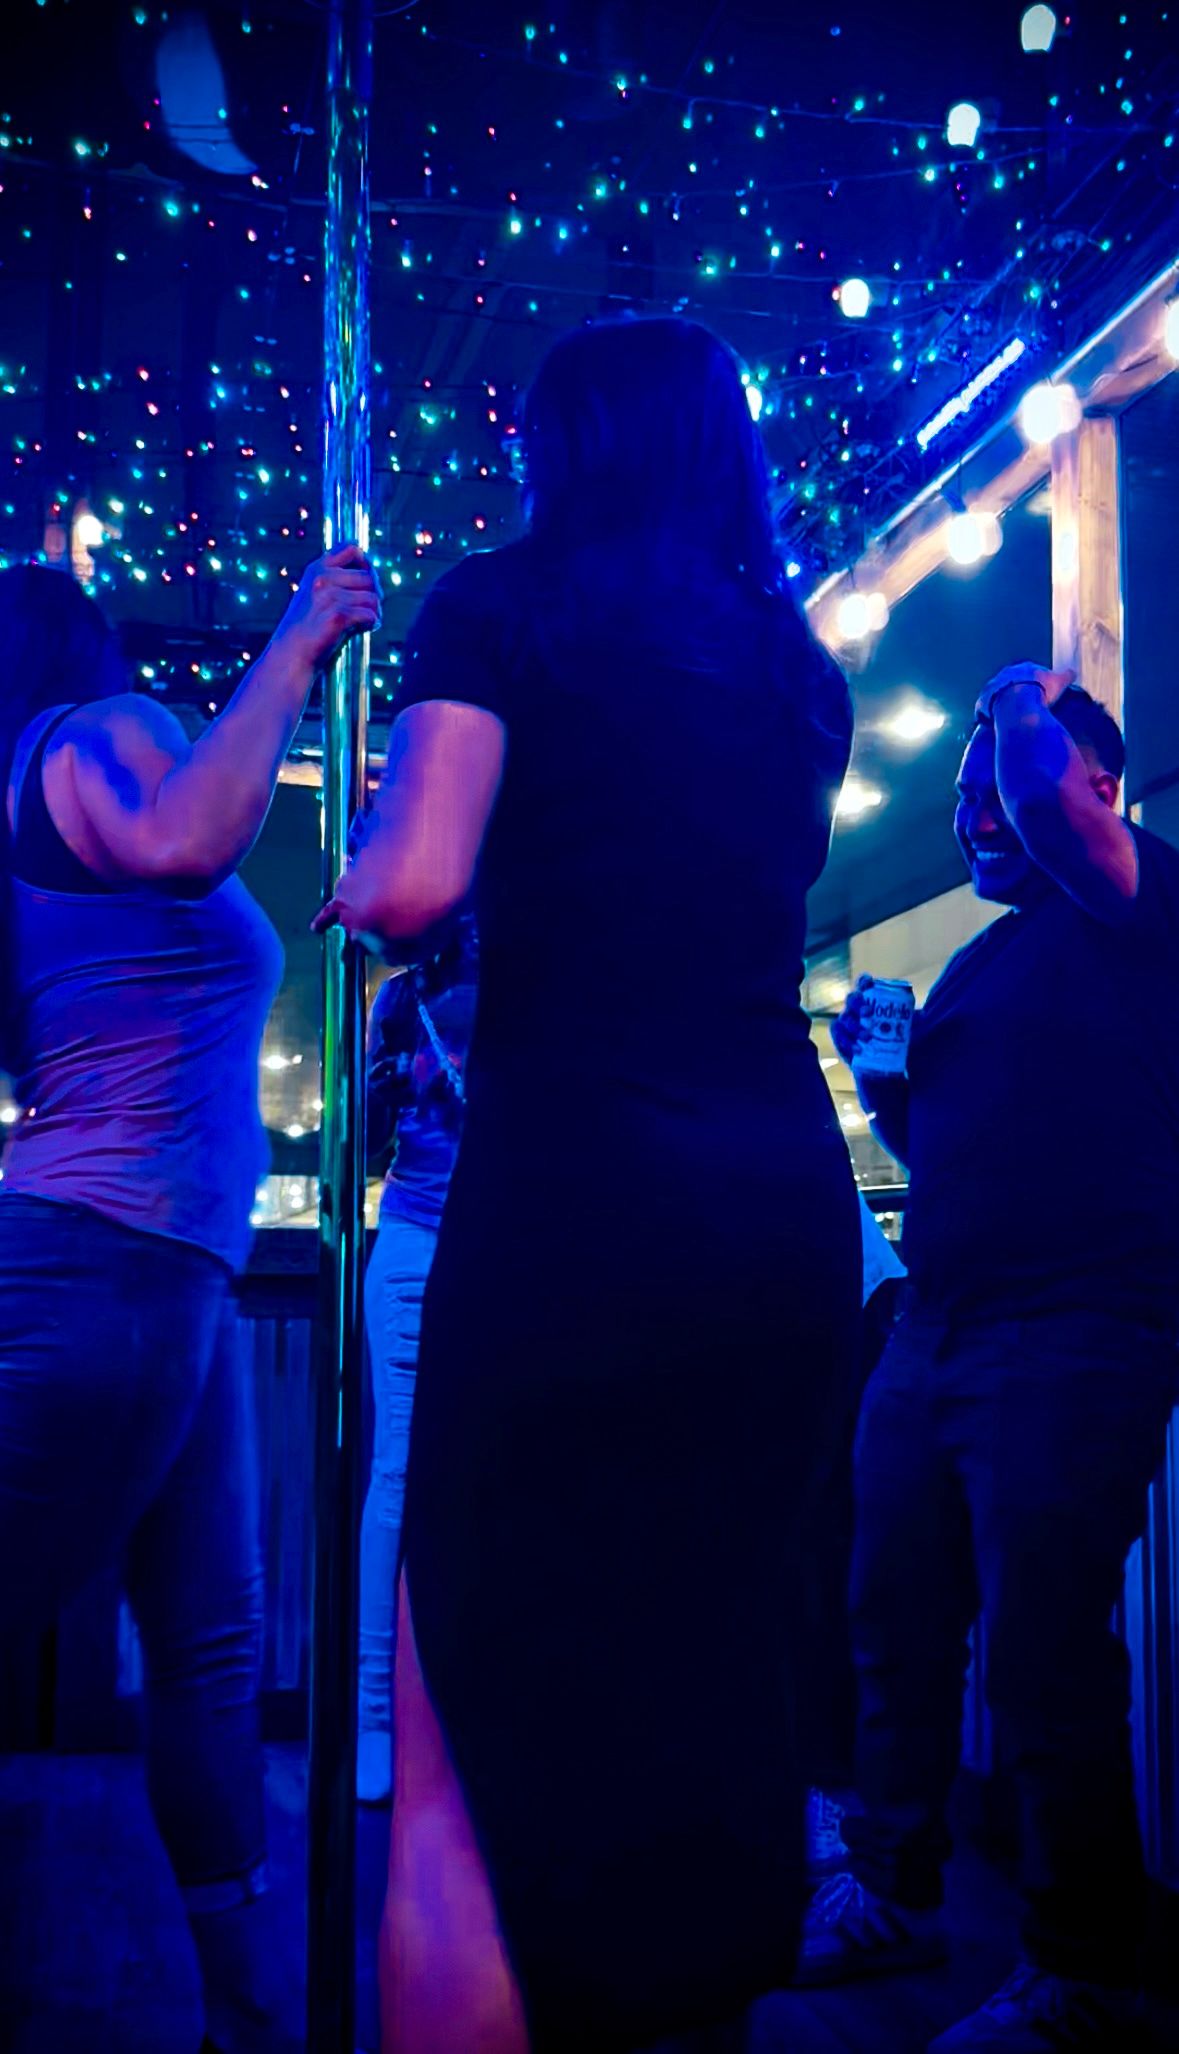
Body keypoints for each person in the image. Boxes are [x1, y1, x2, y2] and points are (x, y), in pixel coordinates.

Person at [316, 315, 860, 2052]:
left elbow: (412, 884)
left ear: (566, 445)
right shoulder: (792, 664)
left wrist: (348, 866)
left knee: (468, 1679)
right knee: (710, 1656)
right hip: (773, 1206)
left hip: (577, 1195)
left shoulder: (497, 608)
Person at [0, 548, 379, 2051]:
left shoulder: (29, 792)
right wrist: (291, 642)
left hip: (166, 1274)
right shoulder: (94, 735)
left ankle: (249, 2017)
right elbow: (183, 841)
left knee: (212, 1649)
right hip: (111, 1262)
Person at [801, 669, 1179, 2053]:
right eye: (960, 797)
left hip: (1078, 1329)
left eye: (994, 787)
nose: (973, 811)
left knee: (1038, 1658)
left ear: (1089, 789)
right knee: (890, 1627)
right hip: (936, 1322)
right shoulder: (976, 961)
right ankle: (890, 1893)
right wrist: (887, 1086)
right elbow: (941, 1161)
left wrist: (1012, 697)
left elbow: (1036, 782)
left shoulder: (1137, 898)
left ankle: (1084, 1971)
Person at [357, 916, 477, 1805]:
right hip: (418, 1229)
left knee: (488, 1477)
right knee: (401, 1471)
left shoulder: (527, 972)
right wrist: (377, 1088)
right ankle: (375, 1717)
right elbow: (363, 1149)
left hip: (502, 1239)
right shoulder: (398, 1001)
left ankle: (441, 1714)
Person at [803, 1191, 907, 1878]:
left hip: (826, 1288)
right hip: (810, 1280)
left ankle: (829, 1796)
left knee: (818, 1548)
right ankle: (819, 1791)